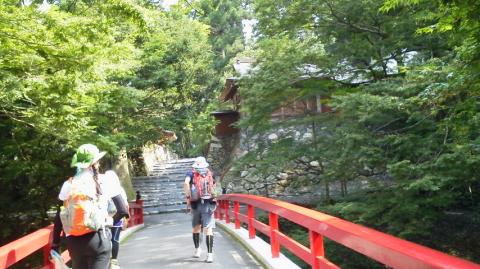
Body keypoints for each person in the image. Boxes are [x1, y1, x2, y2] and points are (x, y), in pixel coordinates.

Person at [58, 144, 129, 269]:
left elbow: (61, 215)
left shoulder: (68, 184)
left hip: (74, 242)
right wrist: (110, 221)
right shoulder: (106, 180)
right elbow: (123, 210)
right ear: (95, 162)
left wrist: (55, 243)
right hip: (99, 238)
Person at [184, 156, 217, 263]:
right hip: (208, 204)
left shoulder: (191, 174)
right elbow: (215, 188)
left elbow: (185, 183)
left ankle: (198, 250)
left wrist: (188, 197)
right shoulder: (210, 173)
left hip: (195, 204)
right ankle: (210, 255)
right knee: (208, 229)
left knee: (196, 228)